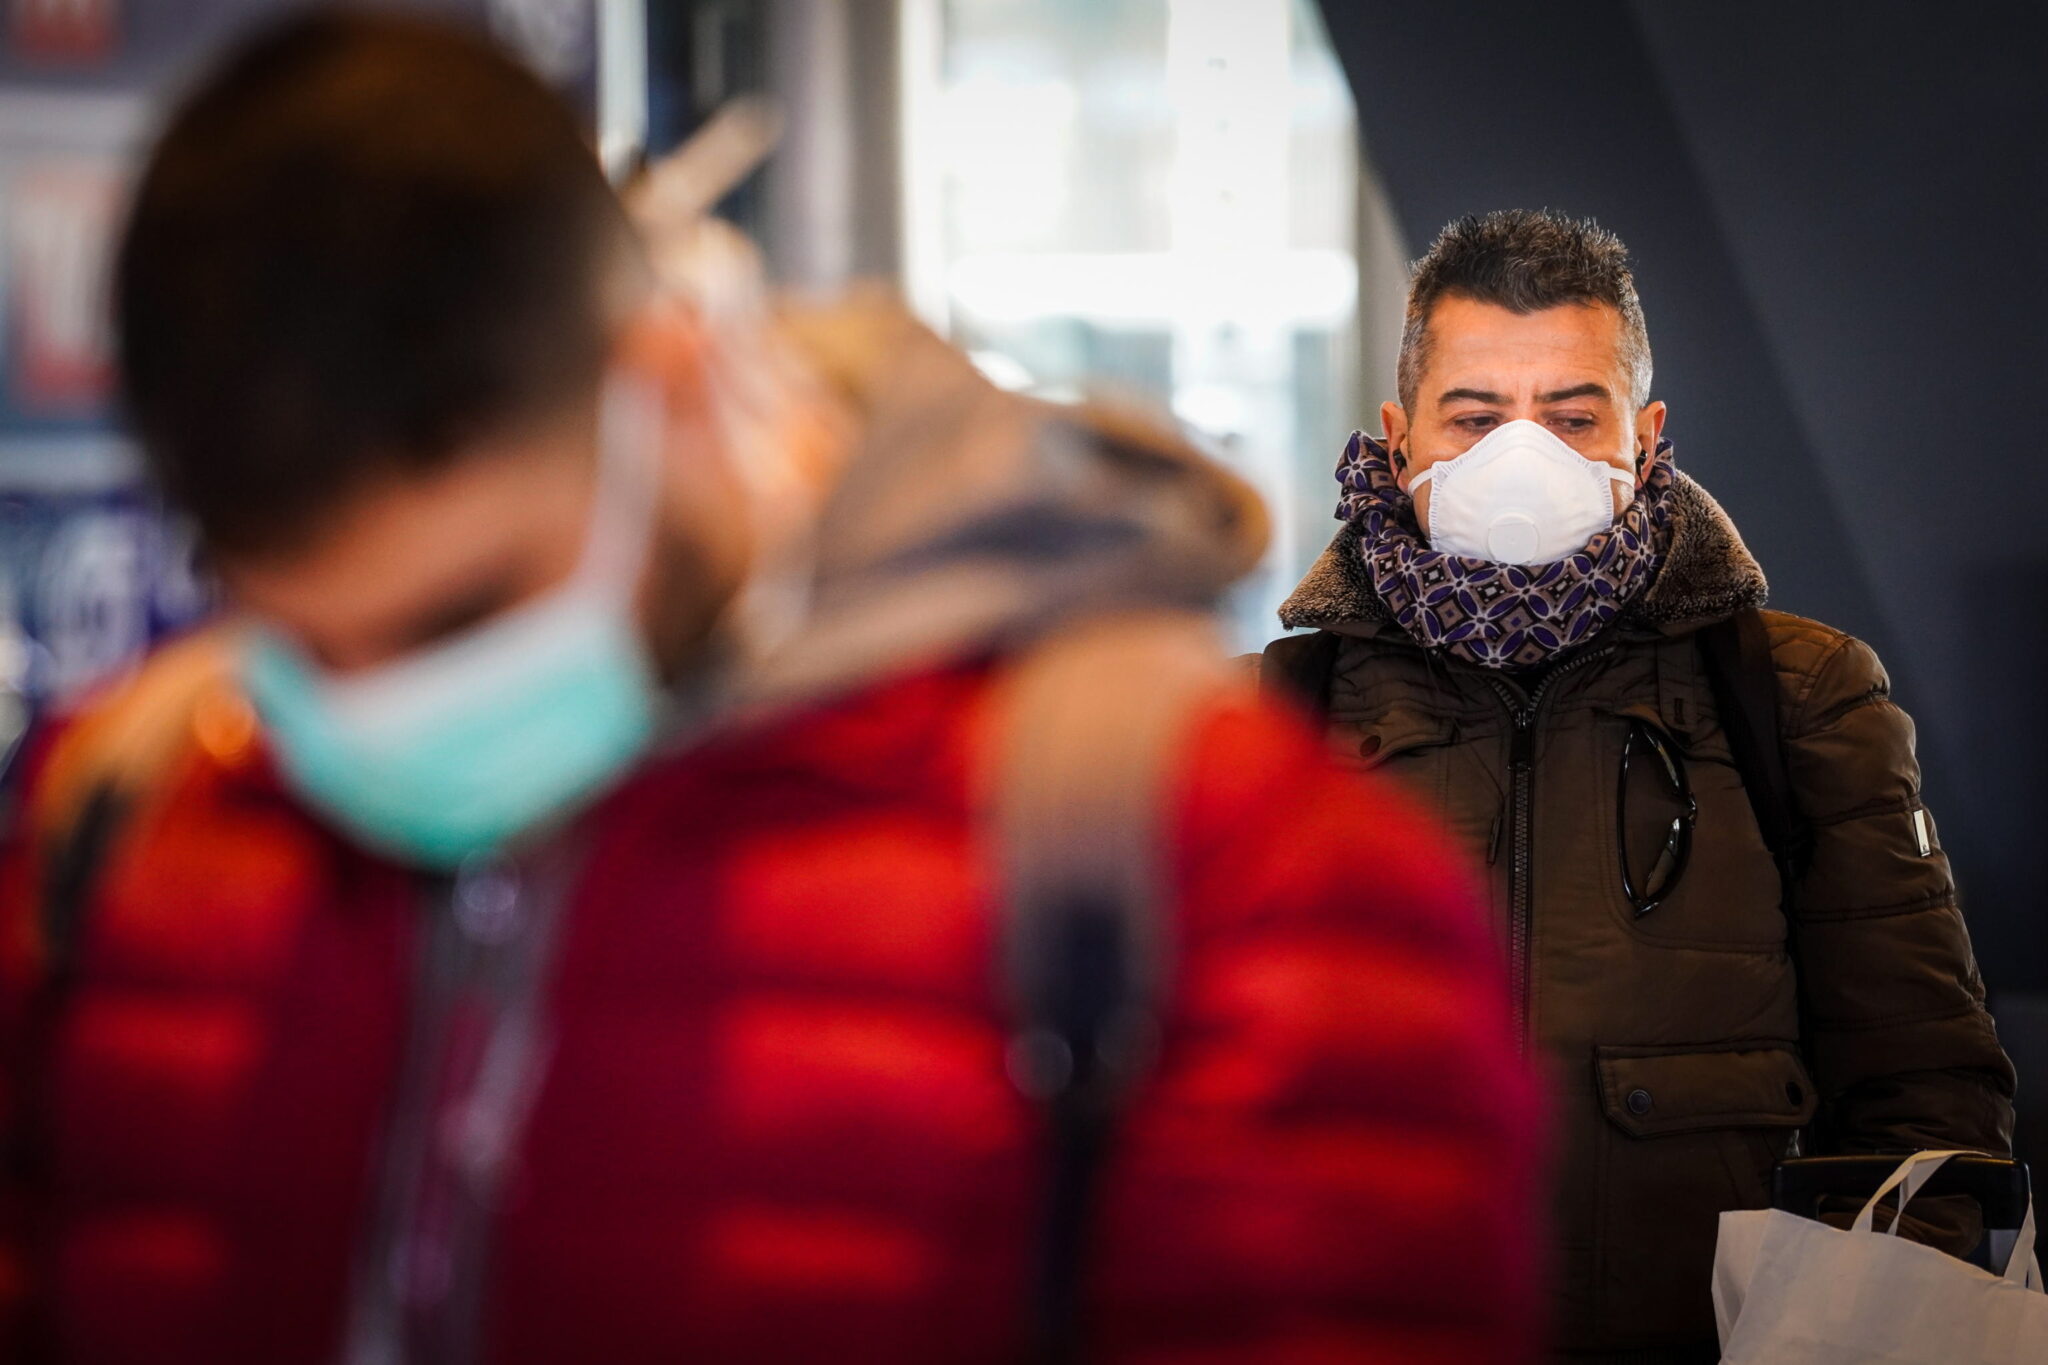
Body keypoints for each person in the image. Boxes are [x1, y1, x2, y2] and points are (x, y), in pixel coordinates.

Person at [0, 14, 1545, 1363]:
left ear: (667, 388)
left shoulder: (1211, 867)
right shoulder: (136, 818)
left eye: (469, 610)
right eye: (293, 640)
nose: (380, 706)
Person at [1261, 208, 2016, 1362]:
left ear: (1644, 433)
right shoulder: (1271, 716)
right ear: (1398, 433)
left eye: (1572, 417)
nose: (1526, 453)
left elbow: (1924, 1090)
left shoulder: (1795, 694)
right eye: (1474, 416)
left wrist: (1870, 1328)